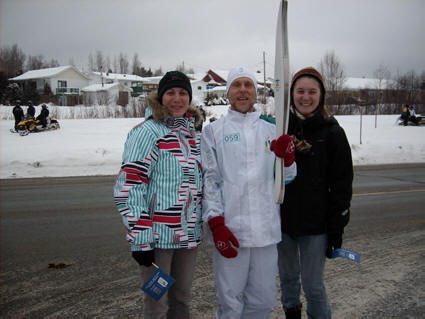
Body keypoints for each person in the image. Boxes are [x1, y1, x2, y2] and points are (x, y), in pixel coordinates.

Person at [201, 66, 297, 318]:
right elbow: (209, 181)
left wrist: (288, 159)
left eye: (248, 85)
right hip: (231, 229)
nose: (243, 90)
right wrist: (216, 223)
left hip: (265, 231)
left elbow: (286, 179)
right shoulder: (213, 132)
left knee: (263, 302)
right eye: (237, 85)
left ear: (256, 93)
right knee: (230, 302)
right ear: (228, 92)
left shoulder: (272, 130)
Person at [113, 71, 204, 319]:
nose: (177, 98)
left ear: (190, 98)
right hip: (157, 242)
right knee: (157, 302)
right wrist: (141, 239)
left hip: (187, 239)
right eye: (171, 93)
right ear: (160, 97)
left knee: (182, 299)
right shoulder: (148, 132)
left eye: (183, 93)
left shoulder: (194, 136)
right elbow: (130, 185)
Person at [271, 67, 353, 319]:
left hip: (316, 225)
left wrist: (337, 227)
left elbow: (342, 184)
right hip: (283, 221)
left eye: (312, 92)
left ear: (321, 95)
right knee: (288, 280)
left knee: (313, 285)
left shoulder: (332, 133)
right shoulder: (280, 128)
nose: (305, 97)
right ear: (292, 93)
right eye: (300, 91)